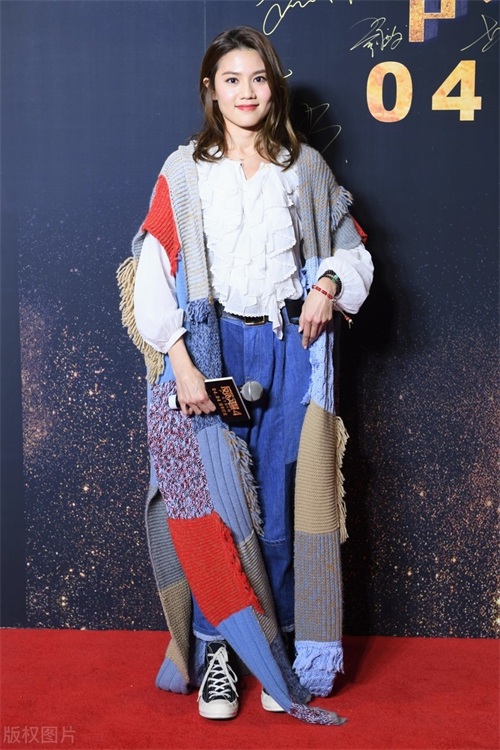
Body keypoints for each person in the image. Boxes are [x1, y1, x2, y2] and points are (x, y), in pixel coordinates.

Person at [118, 26, 373, 726]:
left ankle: (279, 652)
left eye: (258, 78)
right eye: (231, 79)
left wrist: (327, 285)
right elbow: (153, 274)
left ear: (273, 86)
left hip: (289, 347)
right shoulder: (184, 172)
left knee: (283, 507)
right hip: (212, 351)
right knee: (215, 510)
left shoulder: (305, 168)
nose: (247, 92)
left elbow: (352, 252)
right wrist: (181, 361)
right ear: (211, 89)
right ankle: (222, 654)